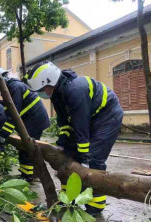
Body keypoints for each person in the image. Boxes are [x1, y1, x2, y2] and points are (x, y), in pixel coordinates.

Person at [25, 61, 123, 215]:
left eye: (42, 89)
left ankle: (95, 208)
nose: (41, 93)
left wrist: (83, 157)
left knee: (94, 159)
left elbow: (80, 126)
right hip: (91, 116)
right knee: (69, 155)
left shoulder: (75, 90)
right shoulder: (57, 94)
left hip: (107, 116)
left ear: (49, 82)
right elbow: (64, 122)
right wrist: (63, 143)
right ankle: (69, 198)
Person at [0, 68, 50, 182]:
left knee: (27, 148)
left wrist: (4, 133)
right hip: (31, 119)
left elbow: (13, 114)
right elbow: (10, 107)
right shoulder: (9, 89)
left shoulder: (14, 87)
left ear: (1, 78)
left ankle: (27, 177)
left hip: (35, 119)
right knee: (28, 148)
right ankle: (30, 174)